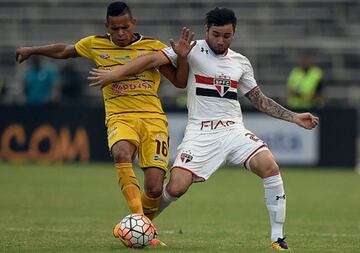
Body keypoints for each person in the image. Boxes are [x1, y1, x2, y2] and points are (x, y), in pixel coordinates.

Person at [88, 7, 319, 250]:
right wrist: (114, 74)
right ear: (206, 30)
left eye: (226, 36)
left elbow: (259, 100)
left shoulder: (240, 62)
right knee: (175, 187)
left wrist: (294, 117)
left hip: (233, 131)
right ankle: (139, 224)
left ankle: (277, 238)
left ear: (234, 33)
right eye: (216, 34)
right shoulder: (191, 50)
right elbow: (149, 59)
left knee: (270, 166)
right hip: (200, 133)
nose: (220, 40)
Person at [15, 1, 193, 246]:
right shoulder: (95, 44)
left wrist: (182, 58)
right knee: (121, 152)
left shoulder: (153, 47)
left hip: (153, 120)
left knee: (153, 189)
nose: (120, 34)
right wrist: (32, 50)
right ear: (107, 26)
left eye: (125, 27)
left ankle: (141, 227)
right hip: (120, 116)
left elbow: (180, 82)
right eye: (115, 29)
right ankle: (139, 223)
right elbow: (64, 51)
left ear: (134, 24)